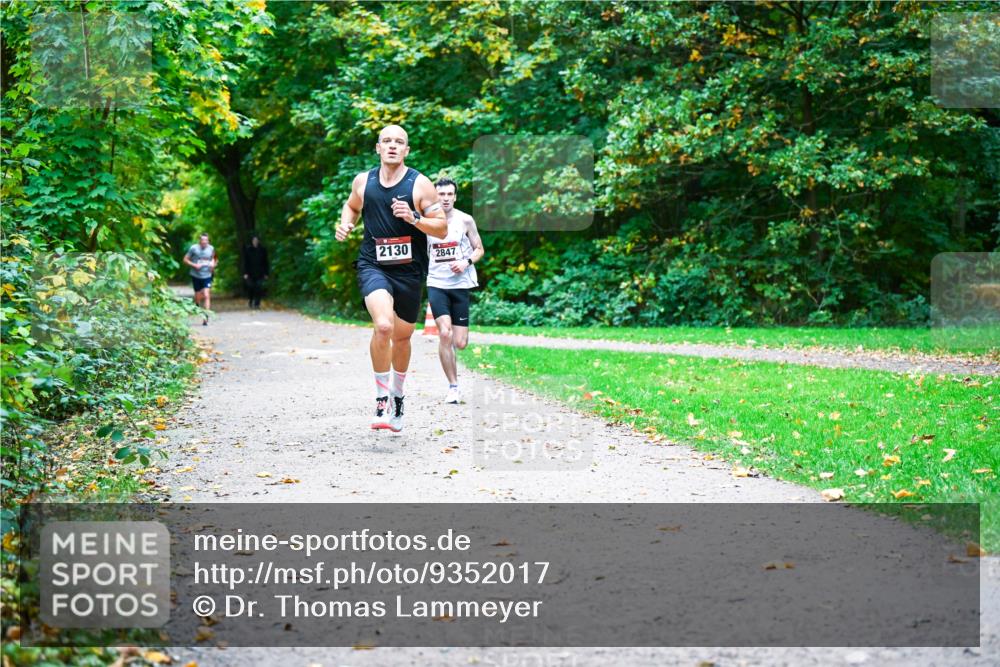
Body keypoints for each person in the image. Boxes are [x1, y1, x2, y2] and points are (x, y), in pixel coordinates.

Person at [335, 125, 447, 432]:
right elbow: (351, 206)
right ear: (378, 147)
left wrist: (414, 218)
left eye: (399, 142)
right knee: (383, 326)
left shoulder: (420, 184)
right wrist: (346, 225)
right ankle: (381, 399)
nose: (393, 146)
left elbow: (441, 228)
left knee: (401, 336)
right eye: (387, 141)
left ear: (407, 150)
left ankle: (398, 394)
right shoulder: (364, 181)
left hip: (409, 270)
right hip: (374, 264)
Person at [426, 178, 484, 404]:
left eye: (450, 194)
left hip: (460, 285)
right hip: (436, 283)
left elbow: (479, 249)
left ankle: (451, 357)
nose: (446, 199)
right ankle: (453, 386)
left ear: (455, 197)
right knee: (444, 333)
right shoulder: (428, 221)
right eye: (441, 194)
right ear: (435, 196)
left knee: (460, 342)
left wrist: (466, 262)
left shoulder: (465, 220)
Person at [183, 233, 217, 326]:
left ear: (208, 241)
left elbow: (215, 258)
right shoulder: (194, 248)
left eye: (206, 240)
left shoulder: (211, 248)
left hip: (207, 275)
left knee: (206, 295)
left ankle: (206, 316)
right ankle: (197, 305)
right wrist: (194, 265)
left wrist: (213, 266)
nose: (204, 242)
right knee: (198, 296)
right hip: (196, 275)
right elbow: (185, 259)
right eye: (202, 240)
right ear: (199, 241)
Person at [242, 234, 269, 310]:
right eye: (254, 241)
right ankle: (250, 300)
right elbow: (245, 262)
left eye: (256, 241)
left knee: (259, 287)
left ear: (259, 241)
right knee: (251, 287)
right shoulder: (248, 250)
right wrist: (245, 273)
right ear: (252, 241)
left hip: (260, 272)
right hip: (250, 273)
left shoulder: (263, 250)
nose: (255, 242)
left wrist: (266, 273)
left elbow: (266, 262)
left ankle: (257, 303)